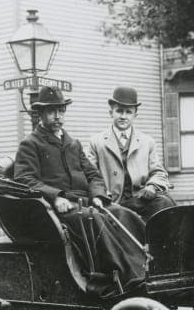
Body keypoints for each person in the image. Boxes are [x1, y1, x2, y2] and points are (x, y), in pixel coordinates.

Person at [13, 86, 146, 295]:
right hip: (58, 209)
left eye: (61, 111)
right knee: (94, 220)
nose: (57, 116)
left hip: (86, 201)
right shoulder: (31, 144)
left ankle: (144, 271)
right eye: (51, 111)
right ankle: (122, 279)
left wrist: (98, 196)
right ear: (41, 114)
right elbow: (25, 179)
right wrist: (55, 197)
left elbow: (93, 175)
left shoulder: (72, 144)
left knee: (123, 213)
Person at [86, 86, 176, 222]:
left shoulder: (147, 142)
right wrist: (101, 195)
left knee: (165, 203)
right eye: (119, 111)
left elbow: (159, 173)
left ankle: (160, 242)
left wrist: (151, 186)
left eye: (128, 112)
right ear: (111, 113)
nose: (123, 116)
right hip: (111, 202)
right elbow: (90, 175)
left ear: (135, 115)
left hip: (140, 200)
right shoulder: (96, 142)